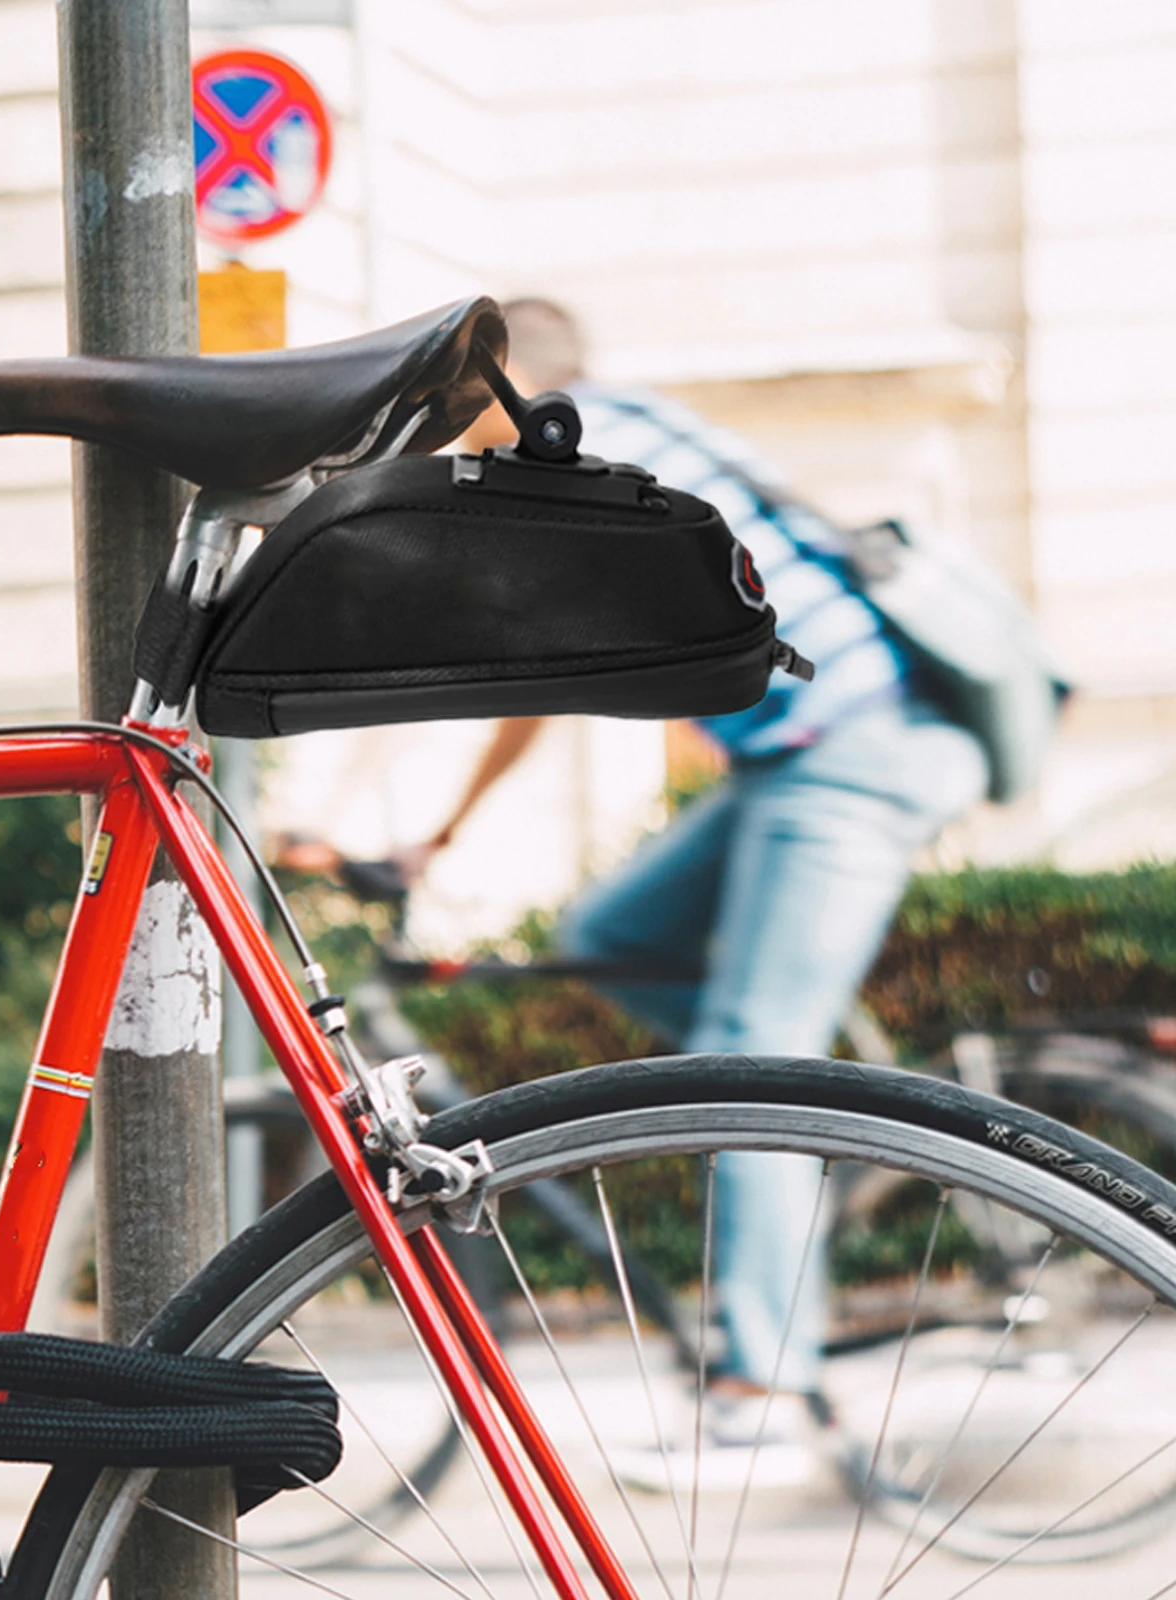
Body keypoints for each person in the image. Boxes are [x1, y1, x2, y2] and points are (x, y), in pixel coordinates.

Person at [406, 298, 990, 1487]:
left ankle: (759, 1395)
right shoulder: (637, 426)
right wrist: (442, 830)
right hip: (795, 761)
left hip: (851, 749)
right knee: (611, 934)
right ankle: (809, 1112)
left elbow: (518, 671)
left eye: (454, 394)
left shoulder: (576, 462)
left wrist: (428, 833)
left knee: (743, 1055)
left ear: (501, 384)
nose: (444, 423)